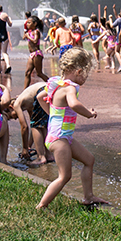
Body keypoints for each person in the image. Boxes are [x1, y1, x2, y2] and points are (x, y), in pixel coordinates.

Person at [35, 48, 105, 209]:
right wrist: (89, 113)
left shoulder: (55, 83)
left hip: (62, 136)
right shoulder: (70, 87)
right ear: (79, 71)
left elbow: (40, 97)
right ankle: (41, 206)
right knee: (64, 176)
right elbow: (74, 104)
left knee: (89, 160)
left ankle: (88, 196)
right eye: (86, 75)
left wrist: (52, 112)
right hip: (59, 139)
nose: (85, 79)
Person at [14, 81, 52, 166]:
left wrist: (24, 148)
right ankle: (49, 155)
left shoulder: (16, 104)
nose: (15, 118)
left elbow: (24, 127)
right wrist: (28, 147)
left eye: (11, 116)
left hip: (41, 91)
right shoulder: (28, 102)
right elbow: (34, 126)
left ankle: (41, 157)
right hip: (48, 88)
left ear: (10, 107)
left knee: (36, 126)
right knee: (42, 125)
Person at [24, 15, 48, 89]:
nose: (27, 24)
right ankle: (24, 91)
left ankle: (52, 84)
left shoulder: (36, 32)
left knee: (39, 73)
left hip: (37, 54)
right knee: (27, 73)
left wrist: (28, 36)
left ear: (35, 24)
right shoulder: (30, 32)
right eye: (27, 23)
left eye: (29, 23)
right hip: (32, 54)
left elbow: (35, 41)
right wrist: (26, 34)